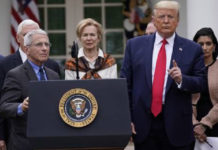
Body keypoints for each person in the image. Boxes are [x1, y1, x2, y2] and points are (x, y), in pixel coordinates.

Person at [120, 1, 206, 150]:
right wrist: (127, 119)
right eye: (161, 16)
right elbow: (125, 86)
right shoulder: (134, 46)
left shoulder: (193, 49)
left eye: (171, 17)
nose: (166, 20)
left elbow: (201, 82)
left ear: (178, 21)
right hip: (143, 126)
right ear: (153, 20)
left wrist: (182, 79)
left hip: (178, 127)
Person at [0, 19, 61, 149]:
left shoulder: (53, 74)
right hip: (24, 143)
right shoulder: (15, 74)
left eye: (47, 44)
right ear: (27, 49)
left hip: (51, 141)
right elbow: (4, 107)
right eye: (39, 45)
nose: (44, 48)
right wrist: (21, 106)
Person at [192, 27, 218, 143]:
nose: (205, 48)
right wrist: (195, 125)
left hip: (216, 124)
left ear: (214, 46)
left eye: (208, 43)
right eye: (200, 44)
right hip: (192, 127)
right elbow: (183, 100)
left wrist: (205, 124)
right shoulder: (189, 70)